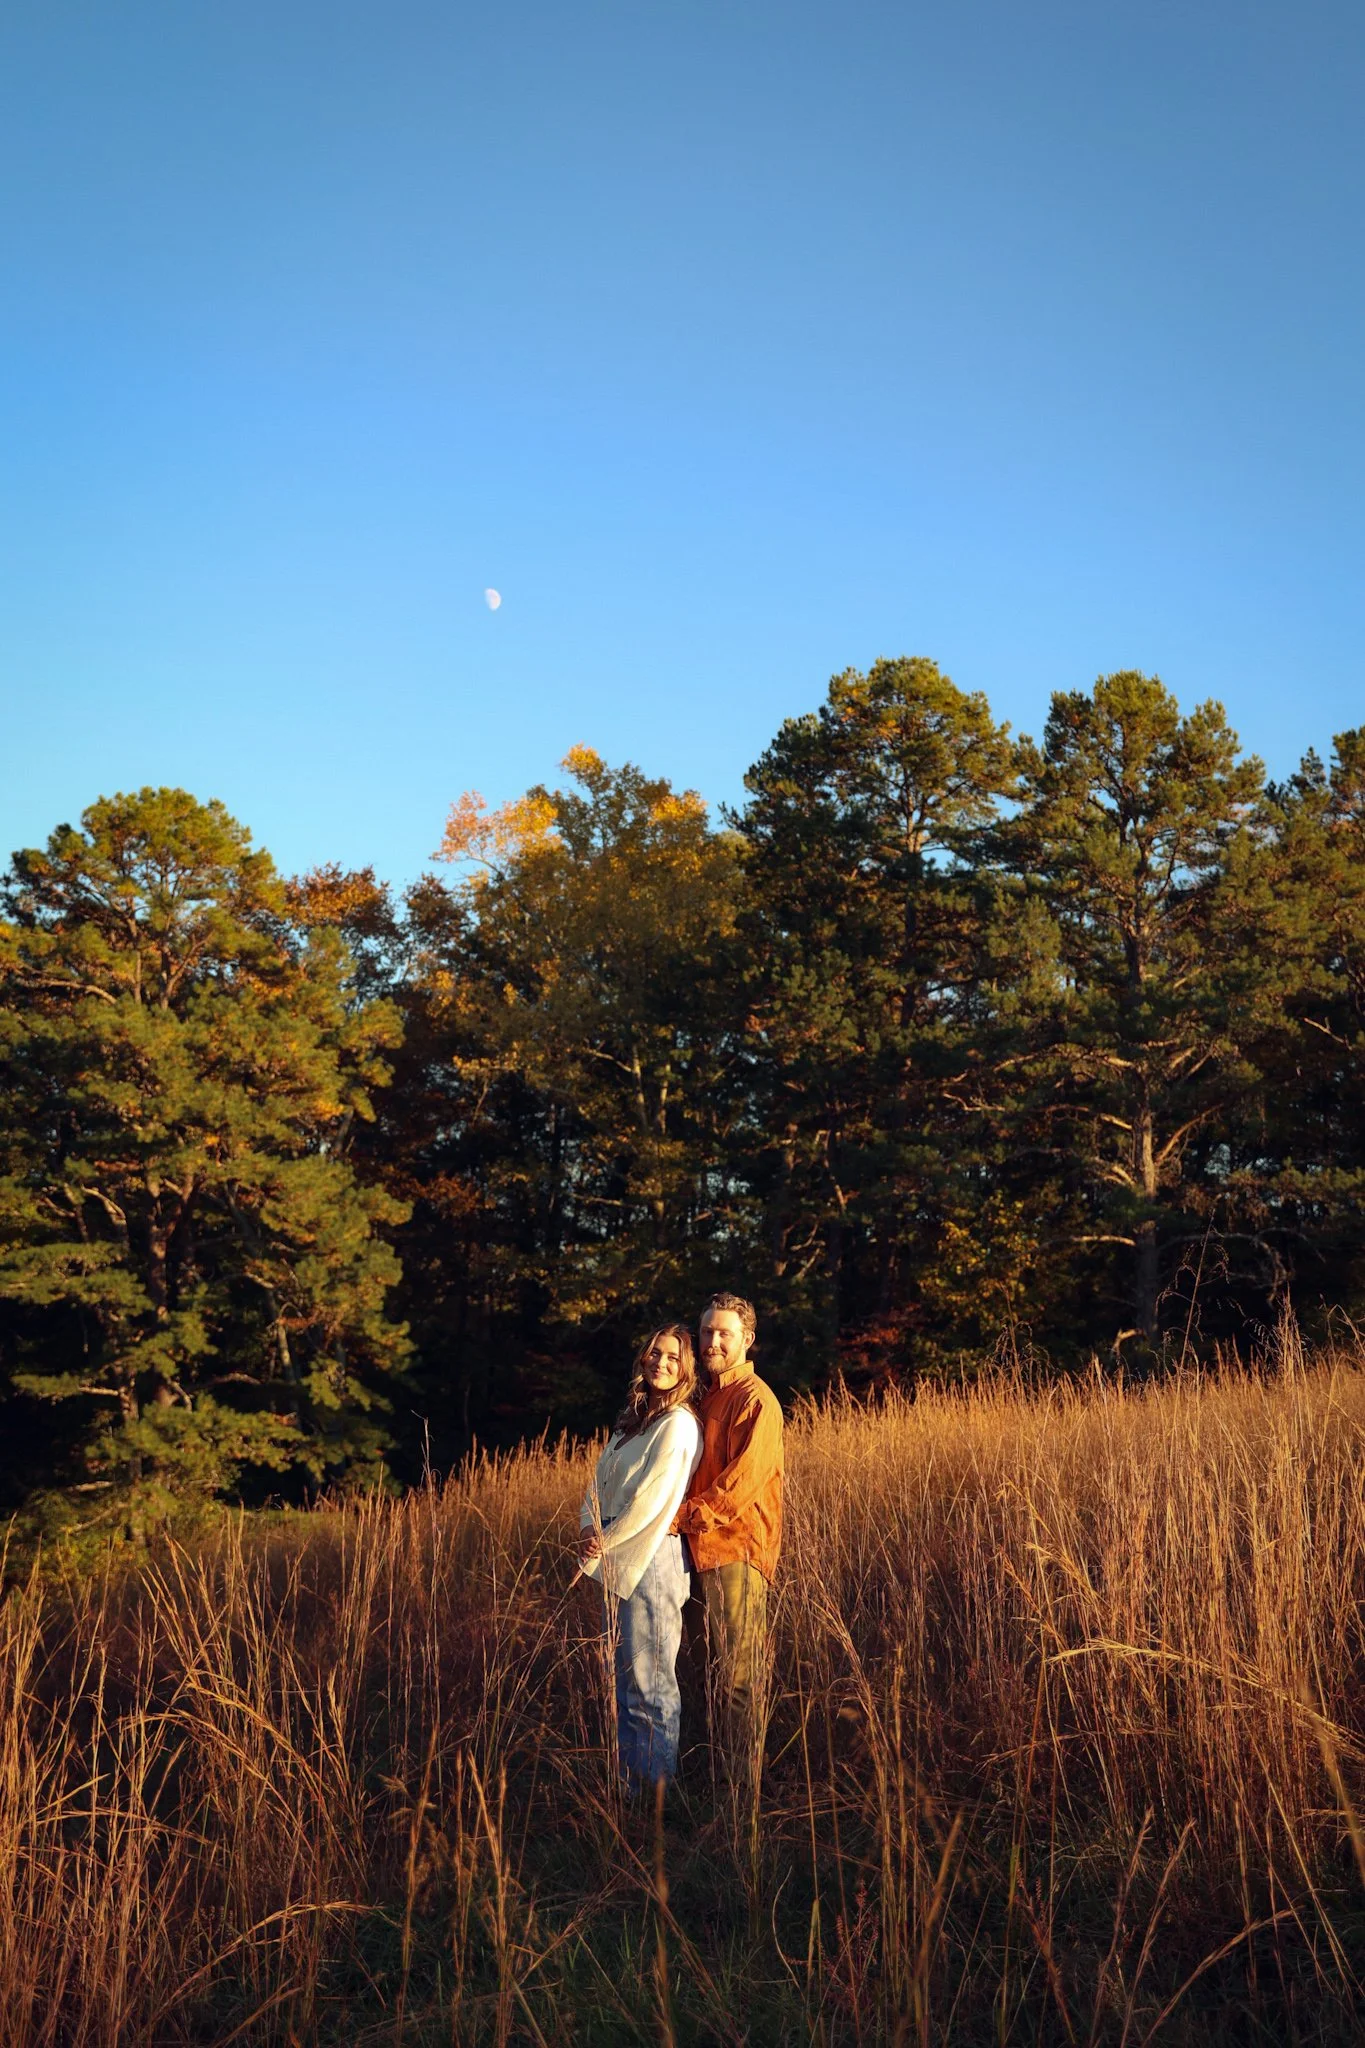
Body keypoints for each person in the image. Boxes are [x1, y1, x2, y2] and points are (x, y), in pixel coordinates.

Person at [577, 1323, 703, 1791]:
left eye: (672, 1357)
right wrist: (588, 1527)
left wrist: (603, 1540)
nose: (660, 1362)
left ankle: (657, 1795)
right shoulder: (633, 1421)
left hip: (651, 1558)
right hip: (617, 1554)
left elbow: (652, 1501)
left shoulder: (678, 1424)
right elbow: (599, 1482)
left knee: (650, 1684)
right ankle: (631, 1788)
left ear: (686, 1369)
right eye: (654, 1353)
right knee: (625, 1682)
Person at [672, 1291, 783, 1734]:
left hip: (736, 1551)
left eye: (724, 1334)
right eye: (706, 1332)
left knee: (739, 1680)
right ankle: (709, 1767)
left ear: (747, 1339)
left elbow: (738, 1488)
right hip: (696, 1552)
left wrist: (677, 1519)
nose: (712, 1342)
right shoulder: (704, 1397)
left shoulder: (755, 1400)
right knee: (705, 1673)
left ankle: (739, 1779)